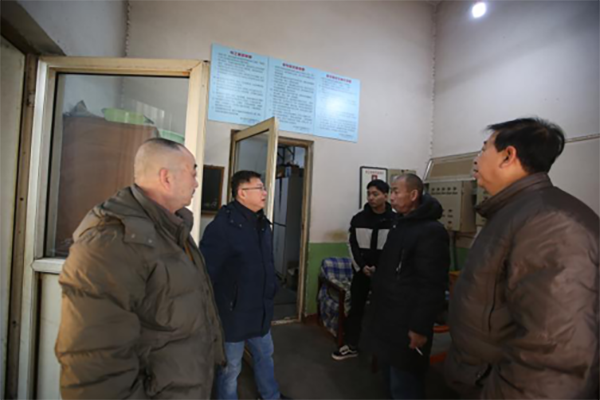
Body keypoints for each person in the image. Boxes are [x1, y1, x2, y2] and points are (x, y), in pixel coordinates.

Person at [55, 138, 225, 400]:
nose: (196, 183)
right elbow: (95, 368)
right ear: (166, 178)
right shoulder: (112, 240)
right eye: (192, 174)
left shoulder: (172, 229)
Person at [445, 117, 600, 399]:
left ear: (508, 156)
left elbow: (554, 357)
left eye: (483, 149)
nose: (476, 159)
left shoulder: (551, 222)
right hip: (479, 377)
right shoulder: (514, 212)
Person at [201, 171, 291, 400]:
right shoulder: (222, 227)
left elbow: (267, 263)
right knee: (230, 368)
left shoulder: (262, 224)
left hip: (260, 309)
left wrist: (271, 289)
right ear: (242, 193)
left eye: (264, 188)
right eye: (259, 188)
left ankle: (270, 396)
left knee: (265, 356)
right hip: (233, 313)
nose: (265, 193)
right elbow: (206, 274)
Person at [363, 174, 450, 400]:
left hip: (407, 322)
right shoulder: (400, 224)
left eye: (395, 191)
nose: (391, 197)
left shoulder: (431, 231)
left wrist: (419, 328)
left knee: (405, 384)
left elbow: (432, 285)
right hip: (388, 319)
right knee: (389, 380)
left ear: (413, 195)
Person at [332, 179, 395, 360]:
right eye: (369, 194)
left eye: (375, 194)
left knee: (384, 309)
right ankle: (352, 345)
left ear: (385, 195)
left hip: (384, 275)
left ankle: (383, 348)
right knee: (356, 309)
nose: (371, 198)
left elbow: (394, 249)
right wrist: (361, 267)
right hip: (361, 273)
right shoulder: (358, 219)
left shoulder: (395, 220)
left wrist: (380, 268)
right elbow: (351, 245)